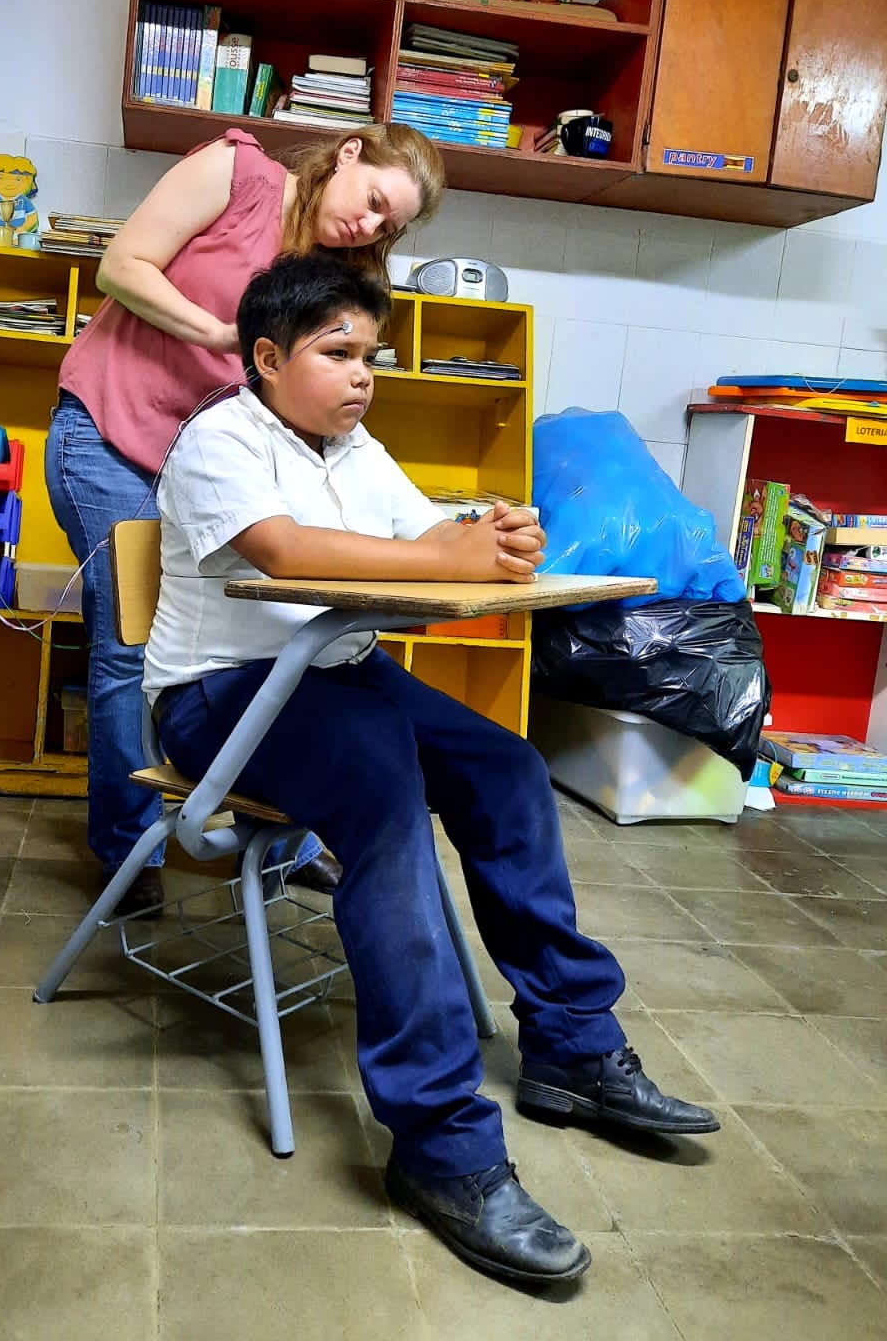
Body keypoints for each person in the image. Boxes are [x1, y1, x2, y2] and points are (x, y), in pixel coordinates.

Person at [143, 250, 720, 1287]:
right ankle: (444, 1146)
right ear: (267, 357)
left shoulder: (355, 445)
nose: (364, 374)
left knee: (505, 768)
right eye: (338, 351)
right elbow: (282, 550)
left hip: (335, 669)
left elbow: (423, 535)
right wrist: (443, 557)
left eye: (373, 354)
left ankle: (572, 1045)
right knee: (385, 800)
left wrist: (493, 536)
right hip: (221, 695)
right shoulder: (217, 438)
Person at [46, 123, 443, 914]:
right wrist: (222, 336)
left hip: (222, 463)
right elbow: (119, 267)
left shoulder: (335, 267)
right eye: (372, 204)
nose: (370, 228)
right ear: (351, 154)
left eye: (388, 226)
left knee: (286, 633)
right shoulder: (236, 173)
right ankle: (129, 855)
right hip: (114, 432)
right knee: (128, 648)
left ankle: (285, 847)